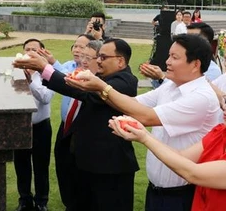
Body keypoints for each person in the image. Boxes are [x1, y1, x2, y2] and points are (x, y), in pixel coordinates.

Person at [66, 34, 220, 211]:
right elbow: (133, 103)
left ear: (195, 64)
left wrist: (102, 87)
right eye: (169, 55)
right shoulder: (170, 85)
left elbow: (147, 116)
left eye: (175, 57)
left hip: (183, 193)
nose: (167, 61)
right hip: (157, 189)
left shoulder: (201, 97)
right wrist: (100, 89)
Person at [109, 72, 226, 211]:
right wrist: (141, 133)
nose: (225, 107)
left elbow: (192, 173)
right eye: (225, 99)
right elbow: (183, 157)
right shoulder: (223, 132)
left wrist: (145, 137)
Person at [14, 38, 140, 211]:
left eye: (102, 57)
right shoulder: (103, 77)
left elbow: (83, 90)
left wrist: (45, 68)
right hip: (87, 163)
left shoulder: (124, 82)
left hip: (110, 169)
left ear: (120, 61)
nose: (97, 61)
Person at [37, 34, 95, 210]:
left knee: (79, 171)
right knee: (63, 166)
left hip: (81, 131)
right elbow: (60, 73)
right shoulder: (70, 66)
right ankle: (69, 202)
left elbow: (62, 80)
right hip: (65, 127)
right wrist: (51, 63)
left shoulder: (93, 75)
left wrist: (46, 66)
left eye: (82, 47)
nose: (77, 50)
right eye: (75, 46)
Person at [14, 39, 54, 211]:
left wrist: (31, 81)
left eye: (34, 49)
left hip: (41, 126)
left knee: (41, 166)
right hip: (20, 126)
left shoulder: (49, 73)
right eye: (27, 49)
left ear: (42, 52)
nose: (30, 52)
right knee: (21, 165)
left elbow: (45, 98)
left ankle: (41, 201)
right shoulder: (15, 70)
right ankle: (24, 200)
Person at [141, 22, 221, 88]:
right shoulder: (184, 65)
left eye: (192, 38)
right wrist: (157, 77)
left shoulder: (212, 71)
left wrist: (162, 78)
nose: (168, 62)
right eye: (187, 36)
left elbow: (183, 93)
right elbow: (165, 92)